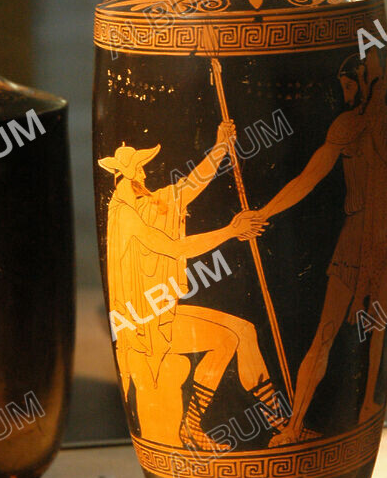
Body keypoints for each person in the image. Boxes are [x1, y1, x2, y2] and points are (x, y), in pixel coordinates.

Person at [100, 122, 284, 450]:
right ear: (128, 177)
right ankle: (196, 425)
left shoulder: (144, 206)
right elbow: (175, 249)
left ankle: (281, 422)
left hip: (161, 313)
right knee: (228, 339)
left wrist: (221, 148)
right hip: (145, 326)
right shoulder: (125, 215)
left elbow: (189, 187)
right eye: (140, 171)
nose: (144, 177)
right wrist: (230, 231)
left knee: (244, 329)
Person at [257, 46, 387, 445]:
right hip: (356, 239)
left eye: (349, 82)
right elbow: (308, 179)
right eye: (343, 83)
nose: (344, 89)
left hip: (377, 238)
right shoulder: (347, 126)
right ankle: (296, 425)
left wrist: (374, 78)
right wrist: (266, 211)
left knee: (377, 328)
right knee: (326, 334)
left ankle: (367, 404)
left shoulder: (377, 120)